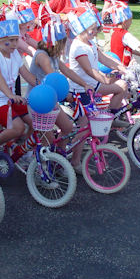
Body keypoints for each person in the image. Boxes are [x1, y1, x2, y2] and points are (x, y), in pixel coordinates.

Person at [29, 16, 91, 173]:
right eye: (63, 42)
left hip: (51, 101)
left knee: (68, 128)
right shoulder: (42, 56)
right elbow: (53, 80)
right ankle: (42, 170)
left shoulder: (53, 56)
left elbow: (67, 71)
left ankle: (59, 158)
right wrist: (66, 95)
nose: (65, 46)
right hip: (40, 102)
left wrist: (84, 84)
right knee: (47, 140)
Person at [0, 10, 38, 170]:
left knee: (36, 123)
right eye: (10, 41)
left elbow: (27, 75)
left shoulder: (14, 55)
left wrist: (43, 84)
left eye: (16, 40)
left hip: (9, 99)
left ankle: (22, 151)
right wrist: (11, 95)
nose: (14, 44)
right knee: (17, 128)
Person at [67, 6, 129, 112]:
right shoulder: (79, 47)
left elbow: (104, 58)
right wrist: (105, 80)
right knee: (89, 121)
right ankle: (110, 117)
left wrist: (123, 68)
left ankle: (112, 115)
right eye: (93, 29)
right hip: (82, 88)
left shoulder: (90, 42)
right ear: (83, 30)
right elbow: (89, 70)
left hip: (93, 84)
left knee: (123, 85)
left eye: (96, 28)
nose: (96, 31)